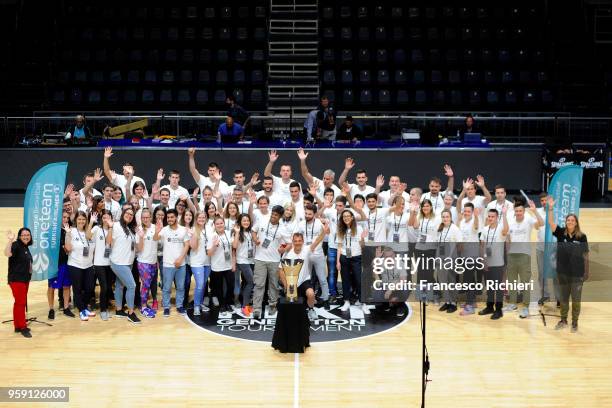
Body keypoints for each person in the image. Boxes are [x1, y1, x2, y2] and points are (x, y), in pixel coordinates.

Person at [547, 198, 589, 332]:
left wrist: (586, 272)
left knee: (576, 300)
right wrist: (551, 208)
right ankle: (563, 320)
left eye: (572, 220)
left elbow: (586, 255)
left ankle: (575, 323)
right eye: (568, 220)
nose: (570, 222)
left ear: (576, 223)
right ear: (566, 222)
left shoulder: (582, 237)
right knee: (564, 298)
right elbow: (551, 223)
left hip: (577, 274)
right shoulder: (561, 233)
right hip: (562, 273)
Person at [279, 226, 329, 322]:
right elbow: (280, 270)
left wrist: (324, 232)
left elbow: (317, 242)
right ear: (293, 242)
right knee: (292, 313)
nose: (297, 243)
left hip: (304, 280)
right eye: (295, 241)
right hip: (291, 283)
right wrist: (286, 285)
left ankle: (311, 309)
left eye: (299, 240)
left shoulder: (306, 249)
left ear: (302, 241)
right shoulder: (287, 253)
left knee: (311, 294)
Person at [504, 200, 544, 318]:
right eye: (516, 211)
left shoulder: (528, 220)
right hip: (511, 255)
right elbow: (507, 237)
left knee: (525, 282)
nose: (519, 212)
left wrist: (535, 211)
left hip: (524, 255)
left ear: (524, 211)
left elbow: (541, 224)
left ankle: (526, 307)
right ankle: (512, 303)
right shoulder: (510, 221)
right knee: (512, 281)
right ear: (514, 212)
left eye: (521, 210)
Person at [251, 205, 290, 319]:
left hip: (274, 260)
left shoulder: (283, 228)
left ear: (280, 216)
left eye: (276, 215)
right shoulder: (262, 221)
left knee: (273, 285)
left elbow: (289, 243)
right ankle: (257, 308)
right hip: (259, 259)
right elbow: (253, 231)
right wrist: (255, 239)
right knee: (259, 284)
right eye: (272, 214)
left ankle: (273, 305)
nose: (273, 216)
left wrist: (283, 249)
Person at [107, 208, 141, 324]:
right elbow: (108, 241)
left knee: (119, 286)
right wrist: (110, 227)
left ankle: (119, 310)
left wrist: (140, 235)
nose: (129, 216)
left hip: (128, 262)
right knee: (131, 286)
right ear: (123, 214)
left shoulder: (130, 230)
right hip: (118, 262)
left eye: (131, 214)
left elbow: (135, 247)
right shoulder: (116, 225)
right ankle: (131, 313)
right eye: (127, 213)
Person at [154, 209, 190, 317]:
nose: (170, 219)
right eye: (168, 217)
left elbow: (187, 245)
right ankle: (166, 307)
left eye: (172, 217)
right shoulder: (164, 230)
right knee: (166, 288)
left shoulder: (183, 230)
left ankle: (179, 306)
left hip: (181, 264)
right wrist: (157, 230)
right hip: (167, 265)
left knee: (180, 287)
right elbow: (155, 238)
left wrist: (180, 259)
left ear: (176, 218)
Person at [295, 204, 330, 308]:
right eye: (306, 213)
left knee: (322, 278)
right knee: (305, 279)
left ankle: (326, 299)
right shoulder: (301, 224)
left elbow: (327, 233)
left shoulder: (319, 223)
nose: (307, 215)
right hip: (305, 255)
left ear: (314, 214)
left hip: (318, 255)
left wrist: (326, 228)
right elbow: (296, 237)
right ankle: (308, 298)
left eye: (309, 214)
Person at [64, 211, 96, 321]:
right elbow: (68, 248)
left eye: (83, 219)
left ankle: (84, 307)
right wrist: (67, 234)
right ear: (75, 220)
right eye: (79, 219)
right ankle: (82, 310)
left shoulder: (90, 232)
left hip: (88, 265)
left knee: (89, 288)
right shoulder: (71, 231)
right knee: (77, 289)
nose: (81, 221)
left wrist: (91, 222)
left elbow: (92, 243)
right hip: (75, 265)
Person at [478, 208, 509, 320]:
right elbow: (483, 246)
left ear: (497, 217)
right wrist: (483, 260)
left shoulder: (501, 228)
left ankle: (499, 310)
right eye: (489, 216)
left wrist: (504, 214)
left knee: (498, 288)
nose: (490, 218)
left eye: (493, 217)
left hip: (498, 263)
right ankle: (489, 307)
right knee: (490, 287)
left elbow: (506, 229)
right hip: (487, 263)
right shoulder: (485, 229)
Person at [409, 199, 440, 303]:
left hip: (431, 249)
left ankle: (434, 294)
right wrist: (413, 213)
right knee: (421, 272)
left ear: (431, 207)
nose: (425, 208)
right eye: (423, 206)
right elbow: (415, 226)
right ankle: (422, 295)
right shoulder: (419, 217)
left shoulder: (436, 218)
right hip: (419, 248)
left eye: (427, 206)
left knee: (429, 272)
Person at [5, 228, 33, 337]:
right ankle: (23, 327)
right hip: (17, 280)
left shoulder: (25, 246)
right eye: (24, 235)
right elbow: (7, 253)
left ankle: (17, 325)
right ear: (19, 236)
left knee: (18, 302)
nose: (26, 236)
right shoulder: (16, 245)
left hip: (24, 279)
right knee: (21, 303)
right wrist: (10, 241)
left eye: (28, 235)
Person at [336, 209, 366, 312]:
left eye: (348, 216)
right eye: (344, 217)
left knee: (359, 280)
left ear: (352, 217)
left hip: (356, 257)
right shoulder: (340, 229)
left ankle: (362, 302)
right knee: (345, 280)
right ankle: (346, 301)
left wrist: (362, 239)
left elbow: (362, 246)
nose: (346, 218)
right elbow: (339, 247)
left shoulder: (359, 228)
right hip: (344, 257)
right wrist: (338, 261)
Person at [47, 211, 75, 320]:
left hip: (67, 262)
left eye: (67, 218)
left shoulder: (70, 230)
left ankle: (66, 307)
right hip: (54, 264)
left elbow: (69, 248)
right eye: (64, 217)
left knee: (67, 286)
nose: (66, 219)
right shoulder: (52, 231)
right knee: (51, 287)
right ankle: (51, 309)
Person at [435, 209, 462, 313]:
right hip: (440, 258)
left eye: (447, 217)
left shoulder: (455, 229)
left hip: (451, 259)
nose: (445, 218)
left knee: (451, 281)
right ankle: (447, 301)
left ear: (451, 218)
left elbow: (459, 245)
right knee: (442, 281)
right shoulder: (440, 229)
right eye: (443, 217)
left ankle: (453, 303)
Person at [456, 203, 481, 315]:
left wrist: (476, 216)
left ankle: (470, 306)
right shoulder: (462, 222)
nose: (466, 213)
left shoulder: (475, 220)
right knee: (469, 278)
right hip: (463, 255)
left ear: (472, 212)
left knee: (468, 280)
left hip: (472, 256)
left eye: (468, 211)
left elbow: (476, 227)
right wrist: (459, 219)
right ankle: (472, 302)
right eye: (465, 211)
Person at [207, 216, 235, 312]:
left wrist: (233, 263)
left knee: (230, 285)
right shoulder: (211, 236)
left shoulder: (228, 233)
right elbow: (209, 253)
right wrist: (214, 246)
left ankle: (228, 303)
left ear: (224, 223)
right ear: (214, 225)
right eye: (217, 224)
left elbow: (233, 249)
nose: (219, 225)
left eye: (221, 223)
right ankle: (222, 304)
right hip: (217, 266)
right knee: (218, 288)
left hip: (228, 265)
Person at [90, 210, 114, 321]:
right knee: (103, 287)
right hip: (99, 263)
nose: (105, 219)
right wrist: (91, 222)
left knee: (108, 287)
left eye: (108, 217)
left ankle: (106, 307)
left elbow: (109, 243)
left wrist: (110, 228)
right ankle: (103, 310)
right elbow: (88, 236)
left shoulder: (113, 229)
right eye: (104, 217)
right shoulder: (96, 229)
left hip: (111, 263)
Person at [136, 209, 158, 318]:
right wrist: (141, 237)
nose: (145, 219)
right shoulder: (139, 229)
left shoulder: (155, 227)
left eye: (147, 217)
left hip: (153, 262)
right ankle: (143, 307)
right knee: (145, 285)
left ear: (150, 217)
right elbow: (139, 249)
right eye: (143, 217)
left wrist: (159, 231)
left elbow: (157, 239)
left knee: (148, 285)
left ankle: (143, 304)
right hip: (143, 262)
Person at [232, 214, 256, 316]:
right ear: (240, 222)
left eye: (247, 221)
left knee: (247, 283)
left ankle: (245, 304)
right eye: (244, 221)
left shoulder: (251, 232)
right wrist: (237, 232)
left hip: (251, 261)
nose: (246, 222)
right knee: (251, 282)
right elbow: (234, 246)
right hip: (242, 261)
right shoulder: (237, 232)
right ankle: (245, 306)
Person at [190, 212, 212, 316]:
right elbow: (193, 247)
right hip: (196, 262)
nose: (202, 219)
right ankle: (196, 306)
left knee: (203, 285)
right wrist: (194, 235)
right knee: (199, 285)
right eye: (200, 217)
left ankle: (201, 303)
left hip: (207, 261)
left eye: (204, 217)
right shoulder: (193, 229)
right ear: (196, 218)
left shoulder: (209, 228)